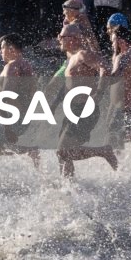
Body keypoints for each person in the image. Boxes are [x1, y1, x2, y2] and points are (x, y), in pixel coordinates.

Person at [51, 24, 117, 178]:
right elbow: (68, 86)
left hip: (84, 109)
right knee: (61, 153)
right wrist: (54, 104)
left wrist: (99, 94)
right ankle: (68, 185)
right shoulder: (71, 57)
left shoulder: (83, 54)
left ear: (73, 39)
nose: (58, 39)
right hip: (73, 110)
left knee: (63, 150)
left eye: (62, 36)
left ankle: (103, 150)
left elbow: (105, 68)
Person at [0, 34, 41, 177]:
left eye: (2, 48)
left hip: (11, 117)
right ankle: (29, 151)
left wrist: (0, 120)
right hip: (24, 117)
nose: (0, 52)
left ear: (10, 49)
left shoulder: (12, 66)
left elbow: (5, 96)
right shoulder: (26, 65)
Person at [109, 26, 131, 141]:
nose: (112, 44)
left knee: (113, 139)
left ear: (120, 41)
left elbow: (115, 75)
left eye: (113, 41)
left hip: (127, 109)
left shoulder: (121, 57)